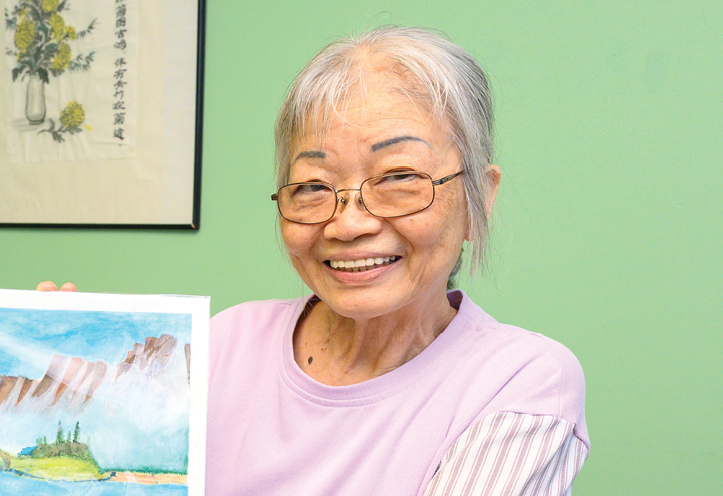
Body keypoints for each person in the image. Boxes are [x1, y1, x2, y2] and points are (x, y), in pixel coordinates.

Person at [40, 26, 589, 495]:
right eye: (312, 186)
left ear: (478, 200)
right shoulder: (223, 344)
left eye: (399, 177)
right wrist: (55, 374)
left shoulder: (522, 383)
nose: (348, 224)